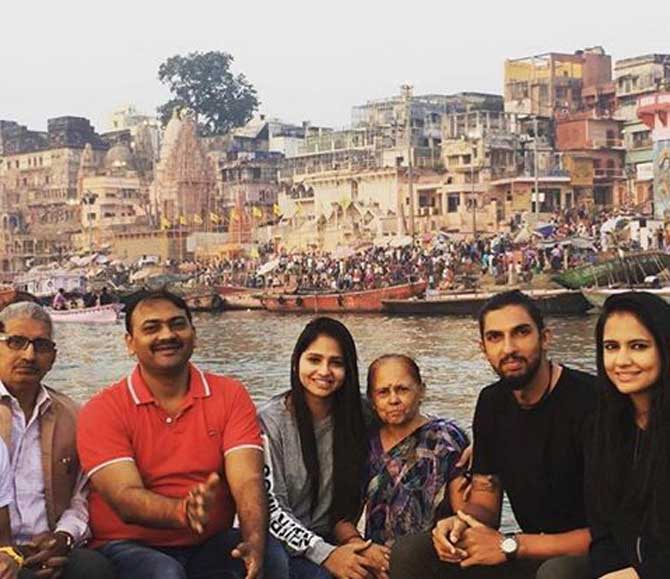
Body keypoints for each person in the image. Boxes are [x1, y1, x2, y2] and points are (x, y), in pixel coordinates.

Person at [390, 290, 597, 579]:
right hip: (530, 549)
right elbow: (487, 504)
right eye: (495, 337)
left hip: (594, 555)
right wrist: (459, 522)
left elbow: (610, 531)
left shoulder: (592, 402)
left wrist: (511, 545)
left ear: (546, 337)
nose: (508, 348)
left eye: (521, 333)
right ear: (483, 348)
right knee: (413, 552)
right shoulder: (491, 403)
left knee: (556, 573)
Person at [77, 289, 273, 579]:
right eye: (151, 328)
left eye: (177, 324)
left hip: (208, 541)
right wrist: (183, 511)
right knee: (165, 574)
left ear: (194, 333)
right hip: (128, 543)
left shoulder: (230, 395)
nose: (167, 335)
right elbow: (124, 498)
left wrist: (254, 539)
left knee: (270, 558)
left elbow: (247, 480)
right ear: (130, 343)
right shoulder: (102, 409)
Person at [260, 317, 389, 579]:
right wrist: (327, 554)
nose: (325, 371)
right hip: (283, 546)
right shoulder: (269, 421)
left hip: (339, 536)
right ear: (297, 362)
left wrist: (470, 447)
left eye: (336, 363)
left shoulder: (360, 413)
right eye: (314, 360)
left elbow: (410, 421)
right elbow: (272, 509)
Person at [0, 302, 115, 579]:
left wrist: (63, 537)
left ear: (52, 357)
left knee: (95, 569)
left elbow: (82, 495)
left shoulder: (73, 416)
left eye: (40, 346)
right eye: (16, 342)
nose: (29, 355)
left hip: (44, 546)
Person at [588, 292, 670, 578]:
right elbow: (602, 531)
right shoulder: (605, 427)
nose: (621, 360)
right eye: (611, 347)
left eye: (638, 346)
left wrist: (641, 575)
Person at [364, 354, 469, 546]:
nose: (393, 399)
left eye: (402, 389)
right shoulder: (366, 443)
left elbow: (464, 514)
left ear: (421, 391)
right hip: (376, 556)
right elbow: (344, 514)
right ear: (372, 399)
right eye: (383, 392)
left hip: (432, 553)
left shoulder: (444, 439)